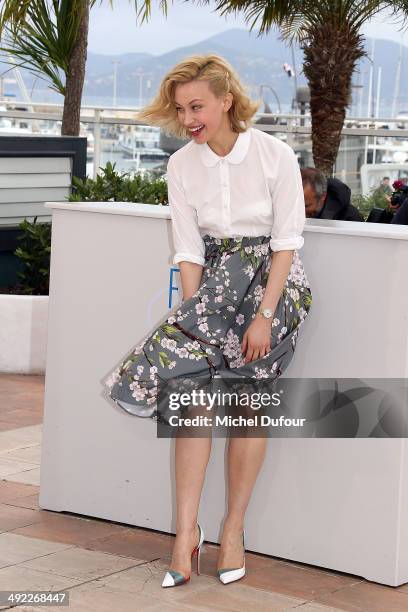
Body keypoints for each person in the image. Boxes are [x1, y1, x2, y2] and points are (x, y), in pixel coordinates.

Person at [103, 54, 313, 588]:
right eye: (181, 109)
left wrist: (263, 317)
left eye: (197, 106)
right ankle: (184, 535)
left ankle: (234, 529)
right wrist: (200, 324)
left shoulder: (274, 156)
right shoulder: (181, 166)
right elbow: (189, 248)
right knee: (190, 401)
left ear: (227, 100)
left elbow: (287, 242)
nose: (189, 118)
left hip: (272, 285)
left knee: (247, 408)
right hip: (213, 285)